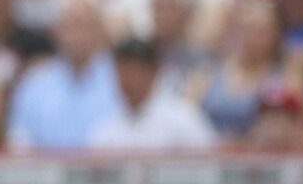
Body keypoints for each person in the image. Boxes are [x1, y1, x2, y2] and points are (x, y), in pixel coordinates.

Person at [8, 0, 124, 149]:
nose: (78, 35)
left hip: (107, 170)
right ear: (56, 32)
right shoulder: (34, 82)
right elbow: (19, 142)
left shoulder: (121, 79)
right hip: (46, 171)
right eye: (70, 26)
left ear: (101, 30)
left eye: (85, 25)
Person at [88, 38, 218, 151]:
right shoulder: (107, 132)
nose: (128, 81)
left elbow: (213, 165)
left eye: (135, 73)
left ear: (153, 72)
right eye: (122, 73)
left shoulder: (182, 121)